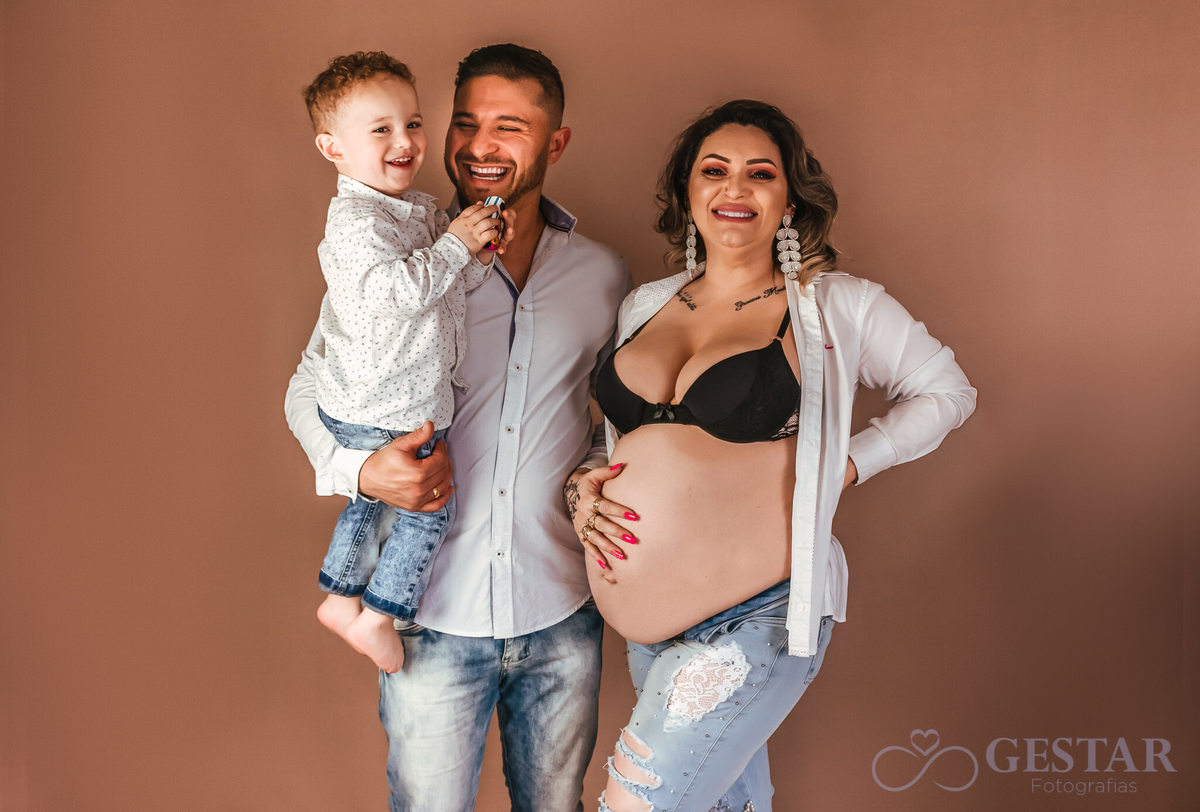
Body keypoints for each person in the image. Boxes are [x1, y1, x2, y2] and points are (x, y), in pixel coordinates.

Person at [563, 99, 977, 812]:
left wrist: (845, 465)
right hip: (650, 625)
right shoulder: (645, 305)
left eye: (760, 173)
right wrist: (583, 495)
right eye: (713, 170)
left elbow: (947, 390)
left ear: (789, 200)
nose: (735, 187)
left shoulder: (832, 305)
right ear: (688, 189)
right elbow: (623, 448)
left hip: (759, 614)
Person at [285, 44, 630, 811]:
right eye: (465, 123)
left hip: (561, 616)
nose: (479, 146)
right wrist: (359, 472)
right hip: (429, 617)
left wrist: (592, 477)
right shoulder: (398, 258)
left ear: (556, 143)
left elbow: (620, 418)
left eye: (509, 126)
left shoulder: (605, 276)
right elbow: (310, 384)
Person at [299, 50, 511, 675]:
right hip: (384, 406)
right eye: (381, 129)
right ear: (333, 148)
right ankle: (380, 615)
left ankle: (342, 599)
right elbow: (397, 294)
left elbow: (446, 290)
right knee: (429, 512)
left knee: (369, 510)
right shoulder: (355, 223)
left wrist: (474, 256)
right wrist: (455, 245)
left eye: (413, 123)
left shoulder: (415, 209)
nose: (404, 141)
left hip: (397, 402)